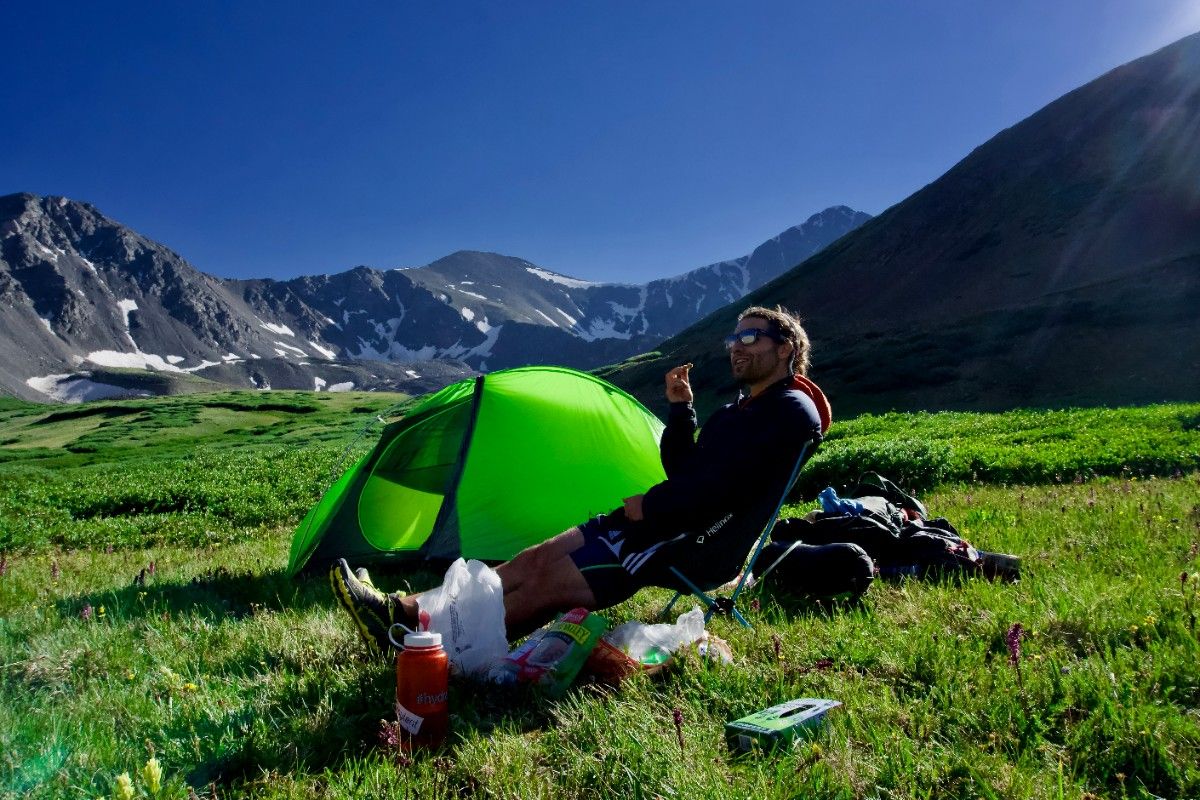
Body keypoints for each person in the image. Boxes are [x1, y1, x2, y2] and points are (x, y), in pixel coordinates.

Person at [331, 305, 829, 655]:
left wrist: (651, 510)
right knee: (532, 558)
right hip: (663, 521)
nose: (735, 348)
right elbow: (687, 469)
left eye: (749, 337)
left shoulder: (789, 410)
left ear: (785, 348)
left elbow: (719, 492)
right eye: (732, 339)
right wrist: (681, 411)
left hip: (689, 541)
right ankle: (405, 612)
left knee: (545, 585)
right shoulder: (743, 410)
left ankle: (430, 647)